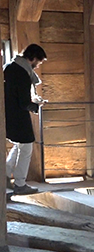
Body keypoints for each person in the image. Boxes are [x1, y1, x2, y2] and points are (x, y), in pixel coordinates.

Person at [4, 43, 47, 195]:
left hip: (8, 114)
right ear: (33, 58)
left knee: (19, 145)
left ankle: (5, 175)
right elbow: (23, 102)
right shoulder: (22, 73)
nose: (37, 65)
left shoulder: (9, 67)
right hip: (17, 116)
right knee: (27, 146)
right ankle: (20, 184)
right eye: (38, 62)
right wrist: (37, 105)